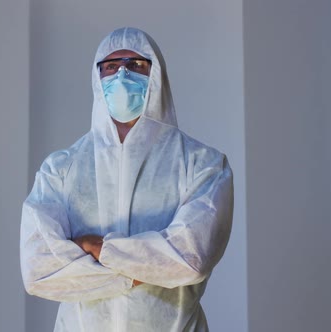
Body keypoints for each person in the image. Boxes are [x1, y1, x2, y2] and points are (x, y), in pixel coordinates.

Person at [20, 27, 233, 331]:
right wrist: (144, 269)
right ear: (97, 78)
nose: (121, 76)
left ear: (156, 76)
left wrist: (96, 249)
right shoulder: (61, 169)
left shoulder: (203, 165)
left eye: (135, 66)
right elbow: (38, 269)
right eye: (111, 66)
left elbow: (191, 257)